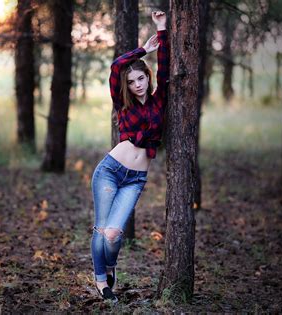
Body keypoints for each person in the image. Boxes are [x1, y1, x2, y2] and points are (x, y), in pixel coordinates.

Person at [90, 11, 169, 303]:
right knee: (101, 230)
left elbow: (166, 68)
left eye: (140, 78)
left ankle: (110, 266)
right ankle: (102, 283)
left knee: (113, 235)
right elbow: (115, 66)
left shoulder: (160, 100)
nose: (137, 84)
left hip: (136, 178)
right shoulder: (122, 102)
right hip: (110, 171)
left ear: (147, 78)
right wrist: (143, 50)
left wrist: (162, 30)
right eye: (132, 81)